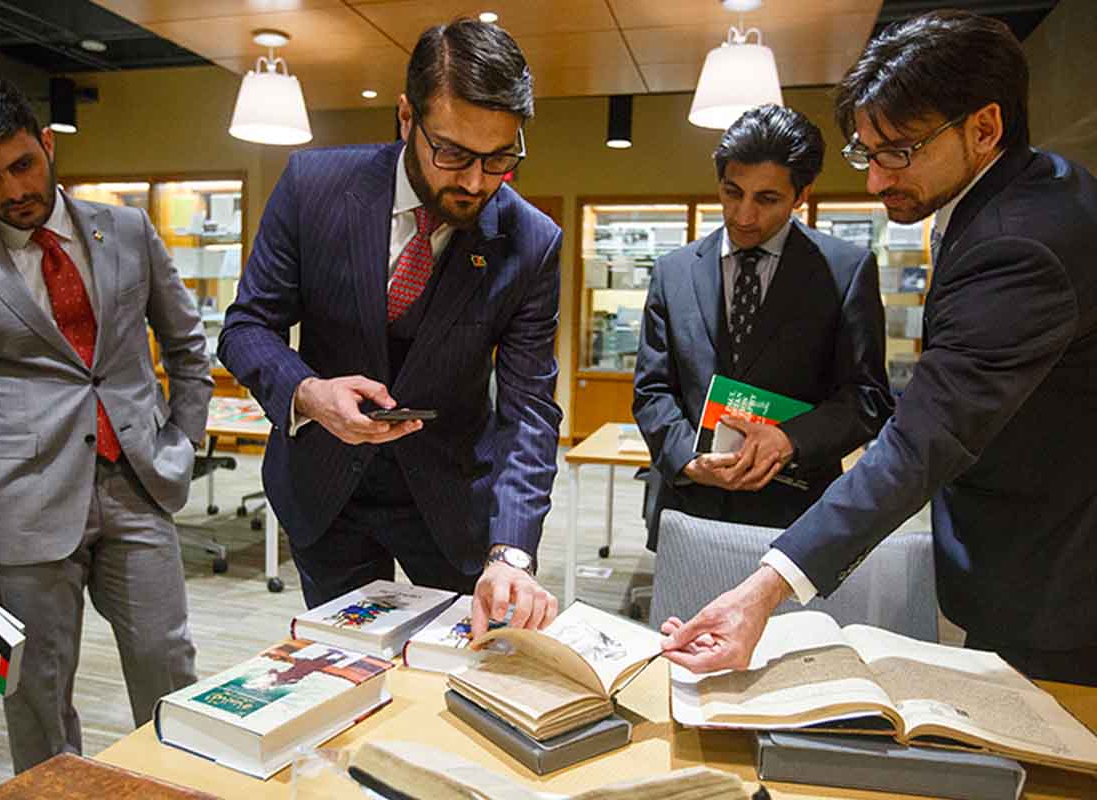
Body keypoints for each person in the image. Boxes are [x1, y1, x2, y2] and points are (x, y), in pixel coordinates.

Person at [661, 10, 1097, 686]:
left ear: (984, 128)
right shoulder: (1027, 194)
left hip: (1060, 572)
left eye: (897, 151)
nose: (874, 179)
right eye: (869, 152)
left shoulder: (1022, 242)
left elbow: (920, 437)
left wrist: (764, 590)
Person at [0, 68, 213, 772]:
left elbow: (187, 346)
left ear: (46, 144)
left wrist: (182, 439)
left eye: (23, 164)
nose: (14, 190)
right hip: (26, 500)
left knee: (169, 665)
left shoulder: (128, 230)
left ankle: (184, 786)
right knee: (35, 690)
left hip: (138, 482)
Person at [218, 18, 562, 638]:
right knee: (348, 677)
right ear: (407, 117)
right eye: (453, 152)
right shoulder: (314, 189)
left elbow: (529, 411)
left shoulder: (531, 243)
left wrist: (512, 553)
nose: (476, 181)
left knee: (456, 681)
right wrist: (307, 393)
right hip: (326, 491)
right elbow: (247, 327)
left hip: (454, 502)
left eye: (501, 157)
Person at [634, 105, 892, 548]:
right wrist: (687, 460)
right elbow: (652, 390)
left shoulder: (845, 271)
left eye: (766, 199)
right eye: (731, 192)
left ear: (802, 195)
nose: (743, 215)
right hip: (690, 507)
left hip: (794, 513)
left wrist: (788, 440)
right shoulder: (673, 272)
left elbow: (866, 398)